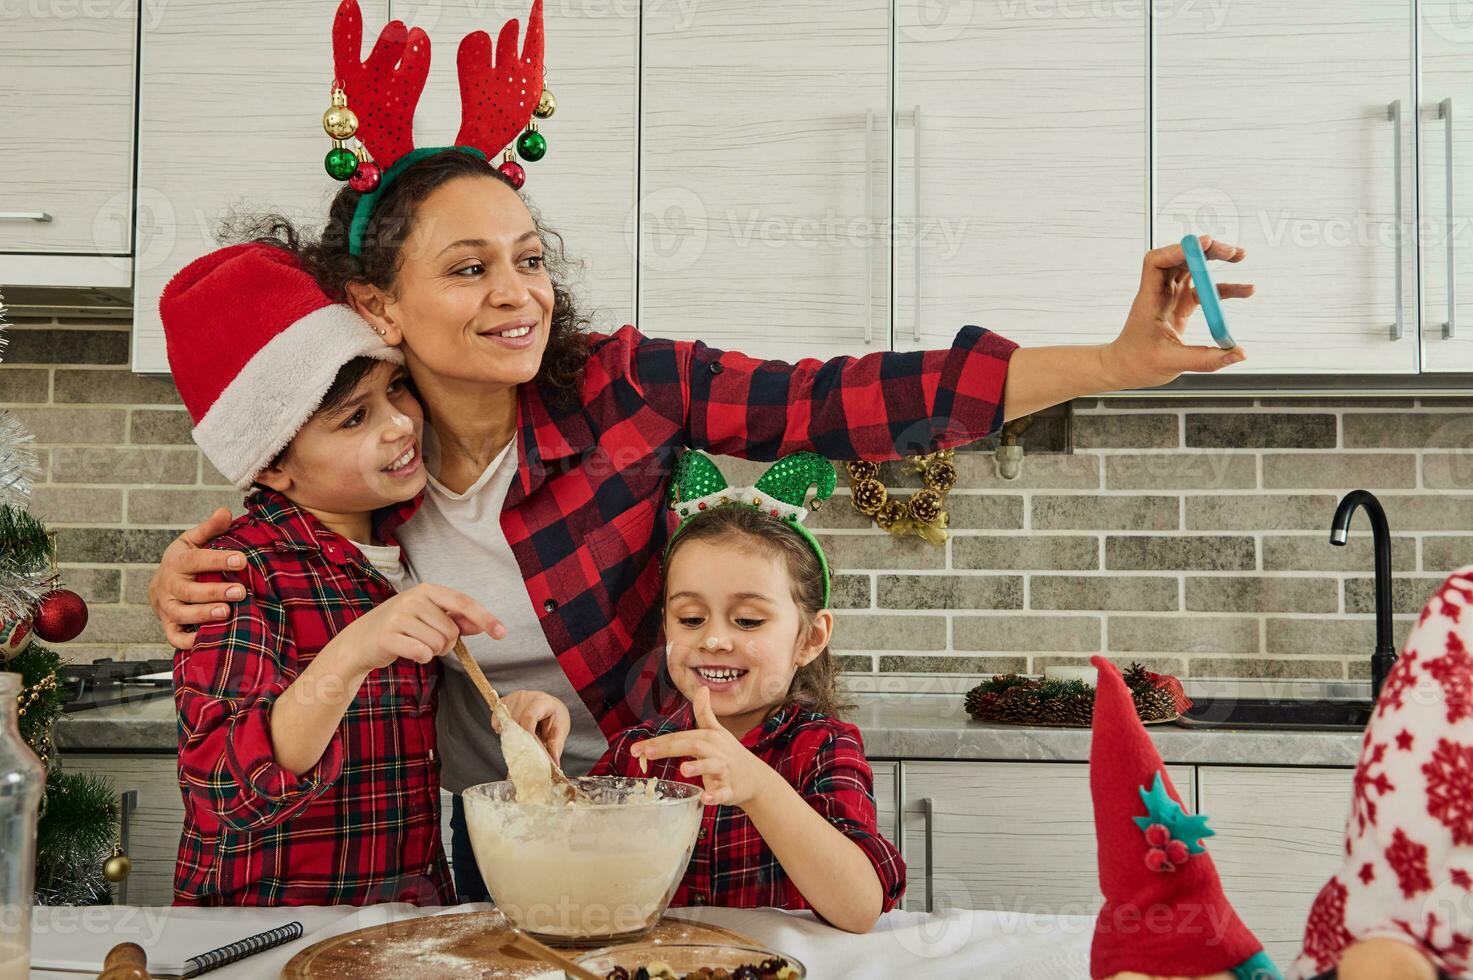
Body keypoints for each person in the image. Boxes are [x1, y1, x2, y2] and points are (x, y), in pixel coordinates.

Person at [148, 0, 1256, 903]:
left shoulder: (624, 387)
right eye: (468, 267)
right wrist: (183, 577)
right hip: (480, 840)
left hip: (655, 815)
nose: (518, 293)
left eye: (529, 258)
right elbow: (283, 561)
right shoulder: (367, 466)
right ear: (378, 307)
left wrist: (1113, 360)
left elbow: (846, 402)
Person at [161, 242, 562, 905]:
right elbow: (225, 790)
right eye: (355, 417)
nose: (400, 423)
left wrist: (507, 725)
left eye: (395, 386)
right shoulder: (239, 572)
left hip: (399, 927)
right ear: (271, 466)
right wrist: (351, 653)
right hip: (264, 937)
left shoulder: (400, 539)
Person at [588, 451, 904, 933]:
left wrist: (757, 786)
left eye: (748, 621)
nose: (713, 639)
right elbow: (573, 870)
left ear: (810, 639)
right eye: (691, 619)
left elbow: (860, 908)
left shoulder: (822, 749)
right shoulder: (635, 754)